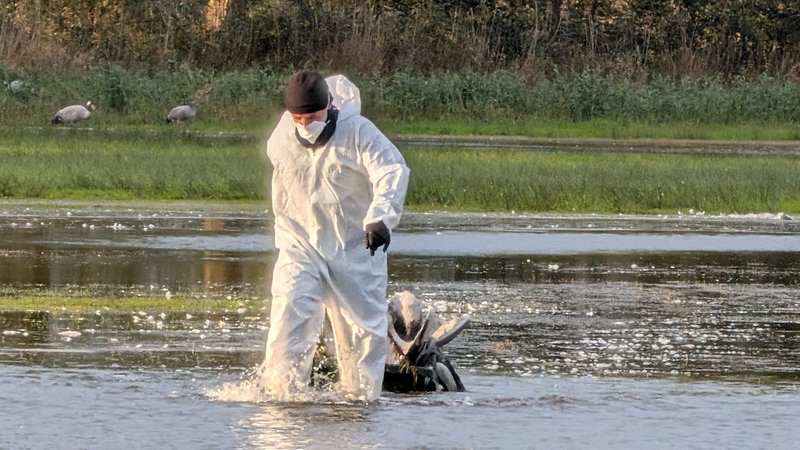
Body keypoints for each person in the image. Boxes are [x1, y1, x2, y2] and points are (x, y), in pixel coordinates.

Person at [261, 70, 410, 401]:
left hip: (354, 251)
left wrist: (380, 219)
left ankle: (358, 406)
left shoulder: (358, 133)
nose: (305, 123)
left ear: (328, 106)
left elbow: (391, 170)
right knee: (288, 316)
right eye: (298, 116)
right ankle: (281, 402)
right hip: (300, 246)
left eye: (312, 115)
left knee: (361, 335)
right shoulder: (282, 138)